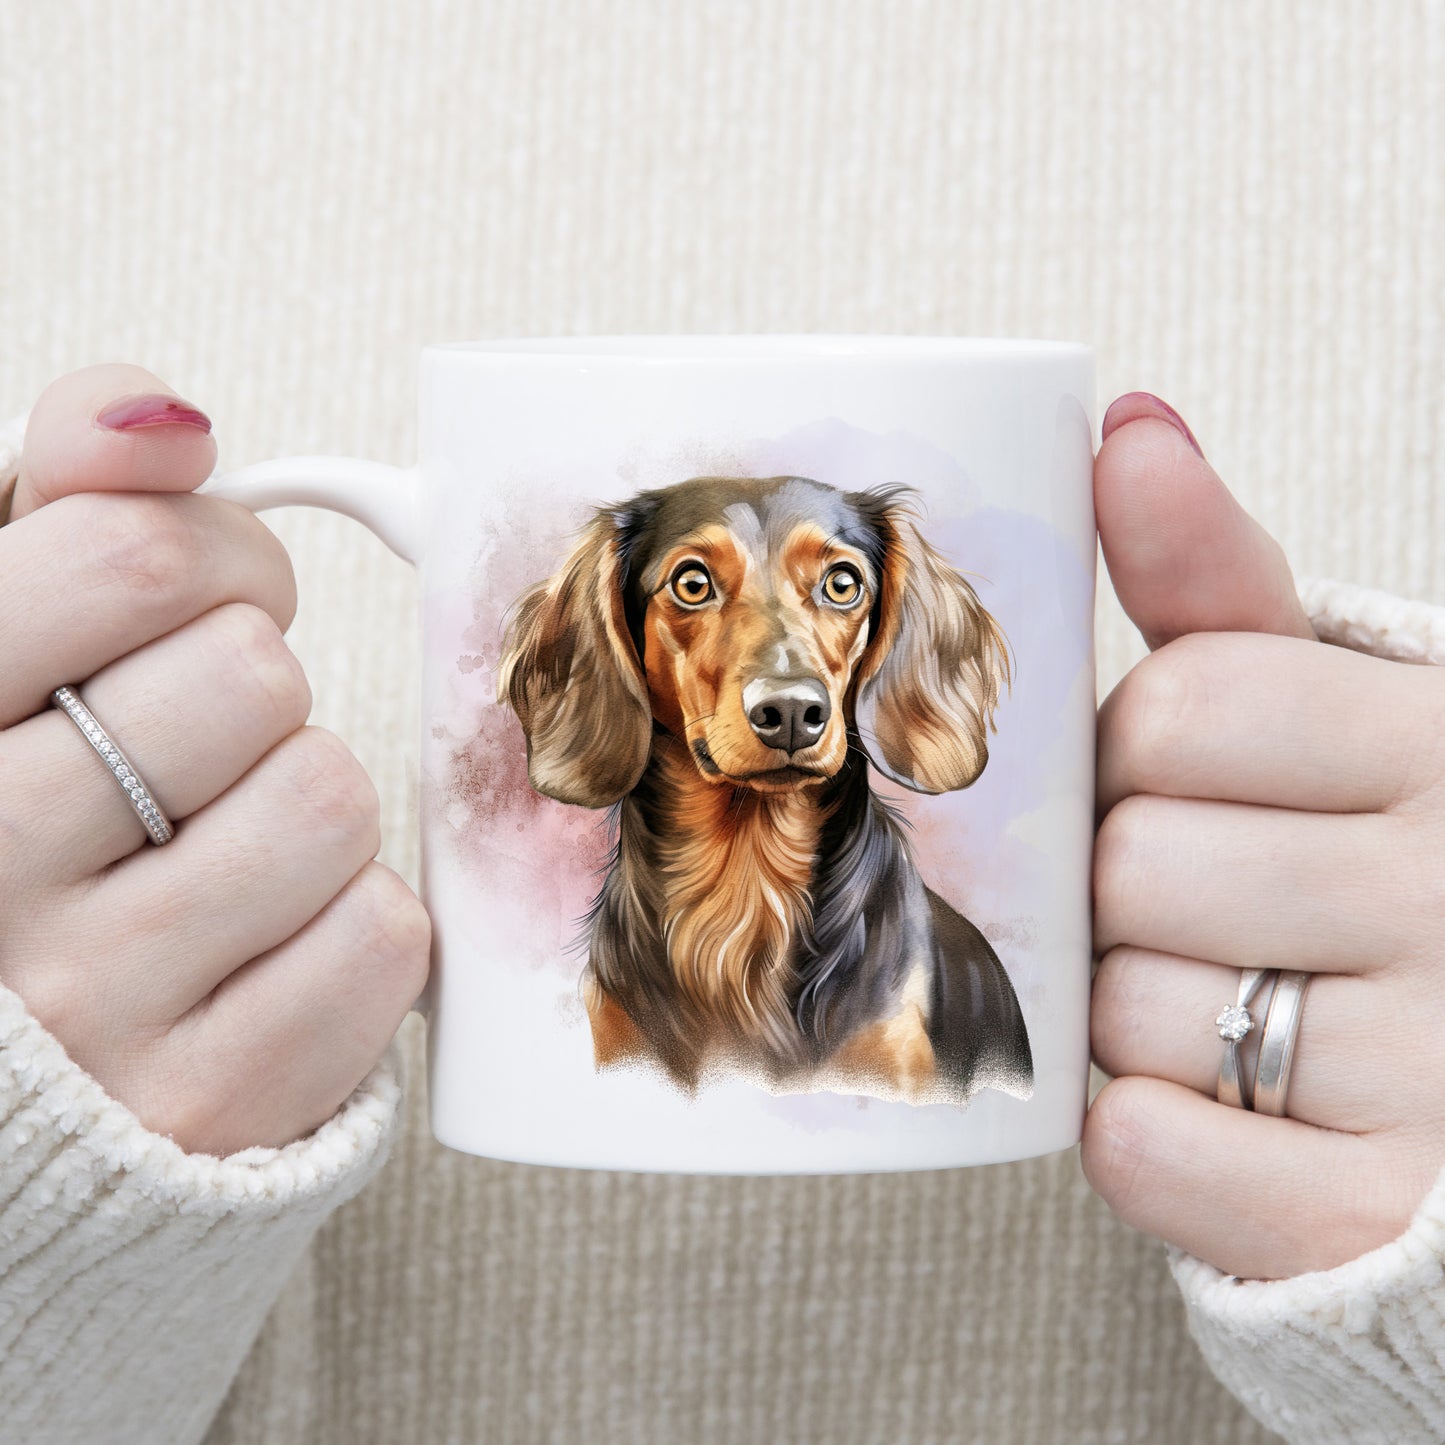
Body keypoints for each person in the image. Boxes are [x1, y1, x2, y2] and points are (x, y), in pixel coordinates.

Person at [1, 365, 1443, 1445]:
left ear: (883, 633)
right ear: (618, 639)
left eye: (829, 594)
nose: (780, 668)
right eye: (697, 588)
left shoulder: (946, 994)